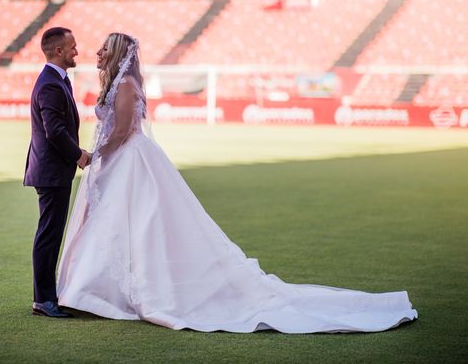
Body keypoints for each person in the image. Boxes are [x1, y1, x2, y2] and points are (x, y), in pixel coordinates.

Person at [56, 32, 418, 333]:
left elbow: (120, 131)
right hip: (124, 161)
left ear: (117, 52)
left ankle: (108, 291)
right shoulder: (121, 82)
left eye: (105, 47)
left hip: (129, 160)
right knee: (125, 226)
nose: (98, 52)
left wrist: (95, 155)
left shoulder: (127, 85)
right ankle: (100, 290)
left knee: (138, 225)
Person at [24, 27, 90, 318]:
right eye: (73, 47)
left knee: (50, 234)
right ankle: (43, 300)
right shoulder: (51, 83)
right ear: (59, 51)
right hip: (51, 173)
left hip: (52, 171)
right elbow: (55, 131)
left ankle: (47, 296)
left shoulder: (57, 80)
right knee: (48, 236)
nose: (77, 51)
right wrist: (79, 156)